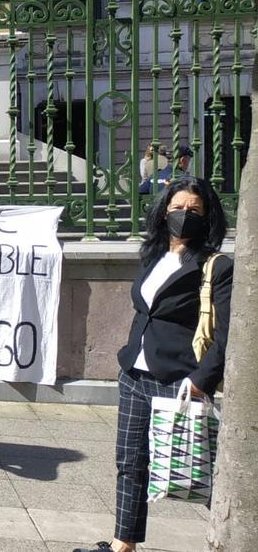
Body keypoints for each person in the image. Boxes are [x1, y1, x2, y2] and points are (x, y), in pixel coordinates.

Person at [74, 175, 232, 552]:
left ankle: (236, 536)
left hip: (178, 379)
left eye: (194, 209)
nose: (183, 214)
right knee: (131, 463)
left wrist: (202, 380)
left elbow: (227, 334)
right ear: (163, 212)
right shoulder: (153, 255)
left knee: (199, 468)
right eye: (177, 207)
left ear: (207, 217)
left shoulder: (216, 266)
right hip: (134, 375)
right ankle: (122, 543)